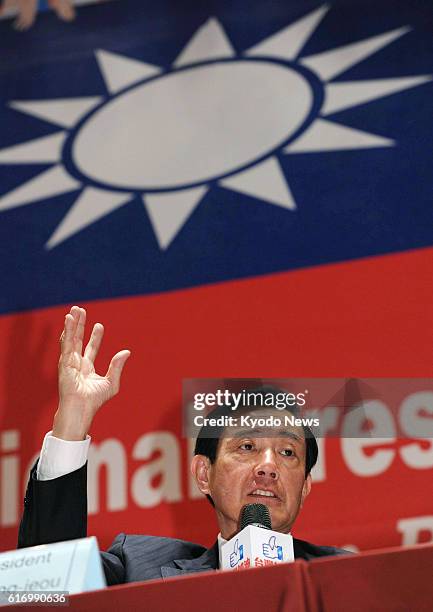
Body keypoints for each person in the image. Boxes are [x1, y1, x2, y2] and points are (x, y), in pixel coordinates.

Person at [18, 306, 349, 585]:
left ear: (305, 486)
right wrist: (72, 423)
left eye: (287, 452)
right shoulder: (140, 569)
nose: (267, 466)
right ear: (204, 473)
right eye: (246, 446)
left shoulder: (345, 577)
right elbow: (46, 586)